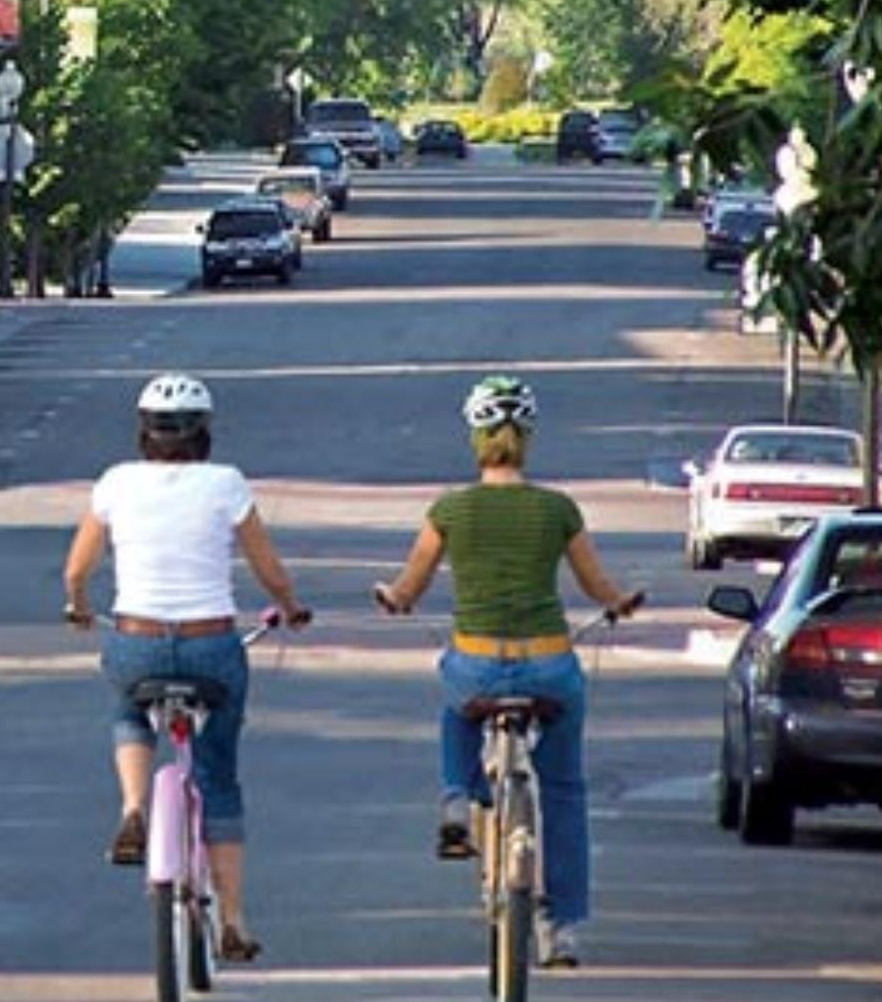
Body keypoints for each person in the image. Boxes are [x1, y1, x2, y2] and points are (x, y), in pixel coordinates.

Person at [371, 375, 643, 970]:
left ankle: (453, 798)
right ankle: (560, 928)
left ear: (476, 438)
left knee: (454, 703)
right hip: (549, 664)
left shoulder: (449, 509)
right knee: (565, 790)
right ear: (528, 438)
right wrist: (620, 602)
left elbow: (409, 586)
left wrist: (393, 598)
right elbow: (597, 586)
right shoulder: (557, 509)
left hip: (477, 665)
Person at [62, 373, 311, 964]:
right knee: (219, 776)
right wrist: (291, 607)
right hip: (211, 647)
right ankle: (233, 919)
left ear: (143, 432)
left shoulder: (115, 483)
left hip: (137, 641)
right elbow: (269, 569)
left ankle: (132, 807)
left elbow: (77, 570)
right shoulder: (226, 484)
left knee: (128, 707)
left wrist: (79, 609)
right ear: (204, 433)